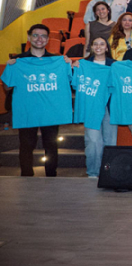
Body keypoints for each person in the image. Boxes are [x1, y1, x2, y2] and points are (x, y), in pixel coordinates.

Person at [2, 25, 67, 177]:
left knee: (51, 145)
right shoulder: (18, 61)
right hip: (27, 110)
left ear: (48, 39)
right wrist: (9, 68)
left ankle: (52, 176)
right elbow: (7, 87)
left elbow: (67, 80)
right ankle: (26, 177)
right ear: (29, 38)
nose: (39, 39)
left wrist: (69, 63)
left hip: (49, 110)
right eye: (36, 35)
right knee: (26, 145)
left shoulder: (55, 61)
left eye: (43, 36)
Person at [72, 36, 117, 178]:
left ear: (107, 47)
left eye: (102, 44)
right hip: (91, 107)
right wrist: (73, 68)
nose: (98, 46)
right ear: (91, 47)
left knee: (110, 141)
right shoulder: (83, 64)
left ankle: (109, 171)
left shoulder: (114, 64)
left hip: (110, 107)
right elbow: (73, 84)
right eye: (95, 44)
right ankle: (93, 172)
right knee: (93, 141)